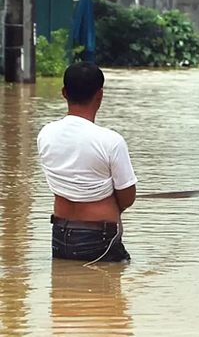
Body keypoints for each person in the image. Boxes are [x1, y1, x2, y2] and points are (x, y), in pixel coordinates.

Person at [37, 62, 137, 263]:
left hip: (59, 235)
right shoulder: (111, 141)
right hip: (99, 238)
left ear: (64, 93)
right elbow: (127, 197)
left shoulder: (45, 134)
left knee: (63, 291)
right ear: (100, 95)